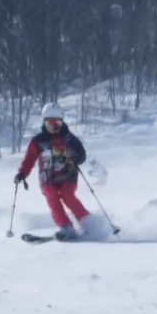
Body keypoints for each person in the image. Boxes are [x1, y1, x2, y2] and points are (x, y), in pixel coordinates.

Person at [14, 103, 93, 241]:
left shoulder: (69, 138)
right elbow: (29, 159)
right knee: (51, 195)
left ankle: (89, 223)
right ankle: (66, 227)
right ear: (44, 123)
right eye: (50, 123)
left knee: (68, 195)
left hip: (68, 175)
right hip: (48, 177)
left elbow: (82, 155)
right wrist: (22, 173)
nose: (54, 127)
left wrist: (75, 157)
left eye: (57, 123)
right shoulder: (38, 141)